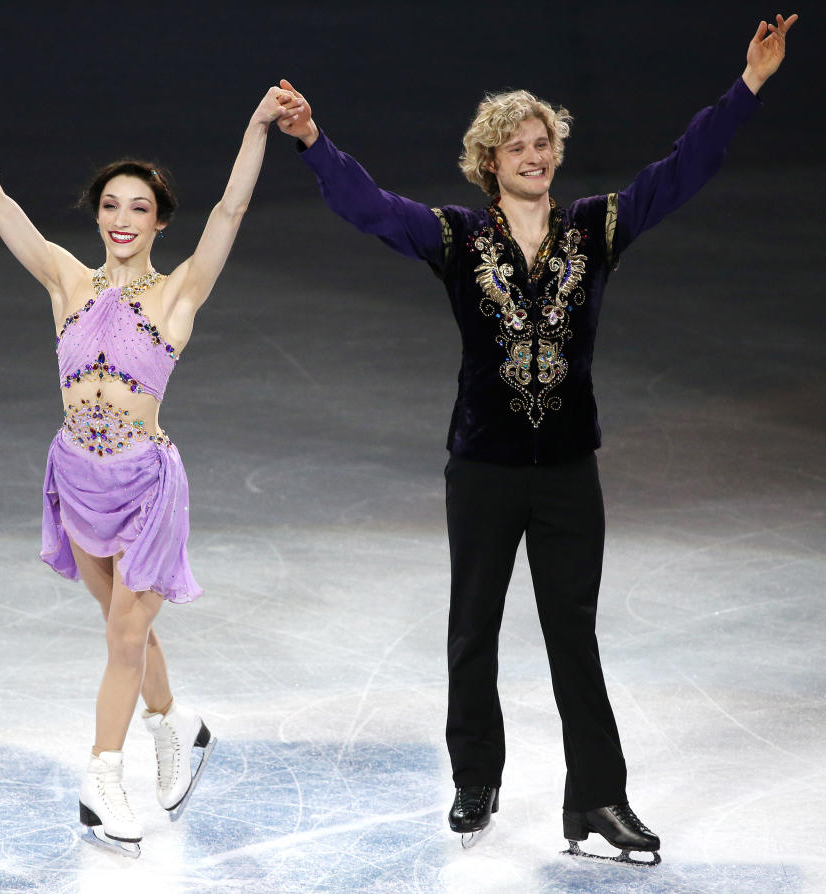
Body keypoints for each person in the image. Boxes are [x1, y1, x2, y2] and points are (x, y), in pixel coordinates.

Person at [277, 14, 798, 864]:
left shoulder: (596, 229)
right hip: (481, 467)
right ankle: (475, 777)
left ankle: (595, 799)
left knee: (574, 635)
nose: (535, 155)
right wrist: (312, 141)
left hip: (565, 472)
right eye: (517, 146)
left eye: (544, 142)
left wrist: (747, 87)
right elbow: (368, 208)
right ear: (490, 162)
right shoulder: (457, 236)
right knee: (473, 625)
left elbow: (683, 170)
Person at [0, 58, 304, 858]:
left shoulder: (180, 293)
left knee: (127, 638)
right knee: (122, 629)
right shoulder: (65, 280)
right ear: (98, 217)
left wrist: (255, 128)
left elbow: (233, 207)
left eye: (139, 207)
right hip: (75, 477)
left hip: (144, 485)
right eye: (111, 205)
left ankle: (103, 777)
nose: (122, 218)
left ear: (160, 221)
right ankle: (178, 727)